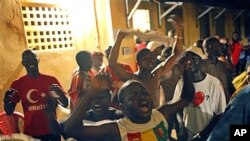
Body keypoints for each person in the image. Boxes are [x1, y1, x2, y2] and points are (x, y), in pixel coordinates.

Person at [63, 77, 195, 141]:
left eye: (143, 93)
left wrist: (186, 71)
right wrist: (91, 93)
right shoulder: (117, 129)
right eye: (133, 95)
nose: (142, 97)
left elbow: (187, 98)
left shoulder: (161, 114)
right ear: (123, 108)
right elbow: (71, 129)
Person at [108, 15, 183, 108]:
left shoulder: (157, 75)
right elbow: (112, 63)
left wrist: (179, 29)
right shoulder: (132, 79)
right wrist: (119, 38)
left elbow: (176, 54)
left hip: (155, 118)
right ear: (138, 63)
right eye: (145, 58)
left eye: (151, 57)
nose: (150, 60)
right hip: (139, 120)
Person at [3, 49, 68, 141]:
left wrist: (61, 94)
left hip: (52, 130)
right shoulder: (18, 84)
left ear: (38, 60)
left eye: (33, 59)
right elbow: (9, 111)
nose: (30, 62)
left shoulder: (50, 80)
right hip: (31, 133)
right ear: (23, 63)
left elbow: (65, 104)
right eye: (27, 60)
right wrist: (6, 102)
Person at [171, 50, 227, 140]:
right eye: (187, 61)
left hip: (208, 135)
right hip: (189, 136)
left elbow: (220, 114)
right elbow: (177, 110)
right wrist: (181, 130)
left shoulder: (213, 83)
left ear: (201, 61)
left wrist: (202, 135)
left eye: (194, 59)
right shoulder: (181, 84)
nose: (190, 63)